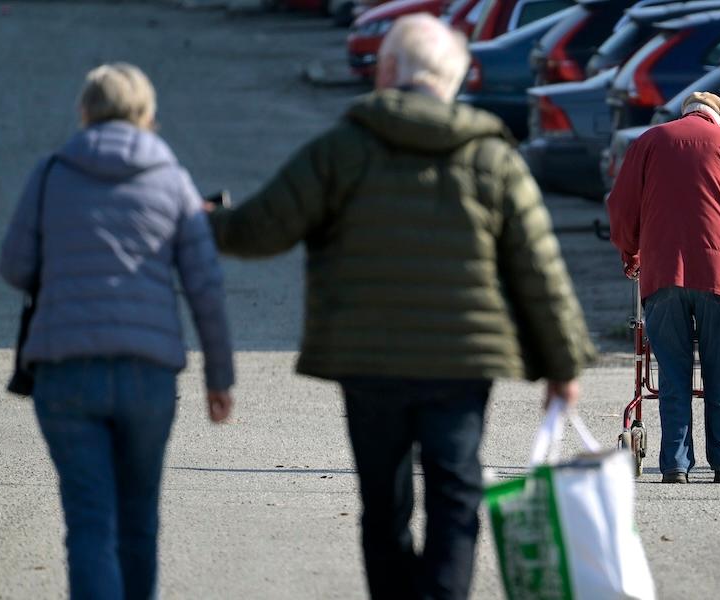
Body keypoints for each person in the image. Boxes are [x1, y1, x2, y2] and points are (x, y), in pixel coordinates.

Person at [205, 14, 595, 600]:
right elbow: (539, 268)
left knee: (383, 503)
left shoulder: (344, 148)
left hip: (369, 360)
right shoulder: (491, 156)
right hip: (461, 364)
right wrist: (563, 366)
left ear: (388, 71)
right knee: (454, 494)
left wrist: (208, 224)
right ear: (455, 79)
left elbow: (265, 227)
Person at [0, 63, 235, 599]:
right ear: (148, 117)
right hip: (146, 377)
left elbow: (15, 266)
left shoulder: (51, 173)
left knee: (88, 524)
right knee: (138, 520)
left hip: (65, 374)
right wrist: (219, 379)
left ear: (84, 112)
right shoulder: (173, 182)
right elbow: (206, 289)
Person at [607, 92, 720, 484]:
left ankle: (676, 465)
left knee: (673, 371)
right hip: (717, 273)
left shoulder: (649, 141)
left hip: (662, 269)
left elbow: (621, 206)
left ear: (683, 113)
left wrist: (630, 252)